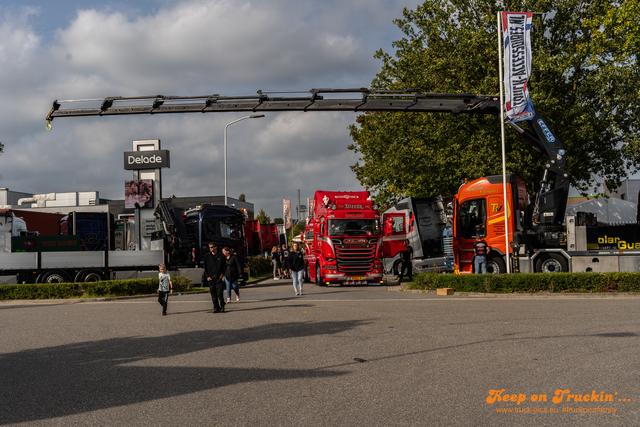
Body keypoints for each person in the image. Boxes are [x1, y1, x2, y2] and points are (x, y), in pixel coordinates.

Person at [204, 242, 225, 313]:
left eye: (212, 247)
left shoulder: (221, 255)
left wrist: (222, 274)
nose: (211, 249)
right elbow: (205, 267)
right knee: (213, 294)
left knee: (219, 293)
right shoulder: (207, 256)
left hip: (218, 277)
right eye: (210, 247)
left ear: (216, 247)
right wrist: (207, 276)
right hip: (211, 277)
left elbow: (224, 266)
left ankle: (222, 305)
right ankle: (216, 307)